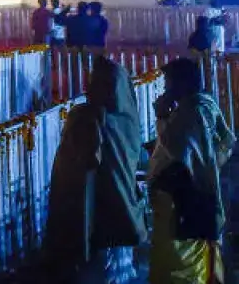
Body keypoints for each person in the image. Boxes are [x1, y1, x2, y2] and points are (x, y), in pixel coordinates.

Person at [43, 57, 145, 282]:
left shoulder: (85, 117)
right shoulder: (129, 119)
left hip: (90, 211)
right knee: (117, 269)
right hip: (122, 209)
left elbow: (74, 162)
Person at [148, 57, 235, 282]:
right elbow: (226, 140)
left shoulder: (188, 113)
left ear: (180, 84)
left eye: (168, 82)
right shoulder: (206, 104)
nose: (165, 88)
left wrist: (161, 115)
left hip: (184, 202)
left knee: (178, 263)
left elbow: (176, 149)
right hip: (203, 196)